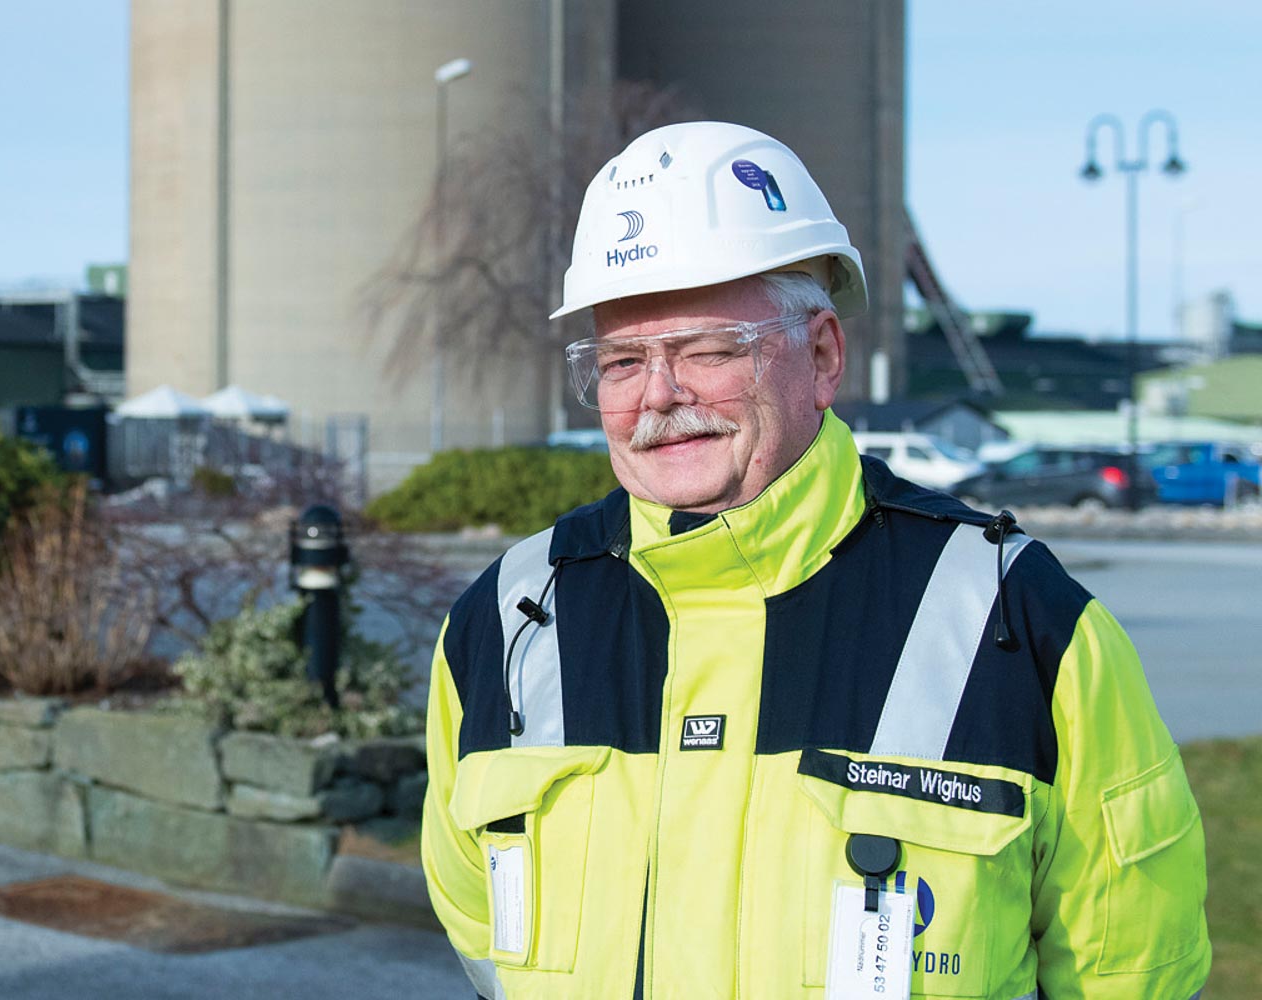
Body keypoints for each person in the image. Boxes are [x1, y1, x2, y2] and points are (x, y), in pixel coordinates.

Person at [420, 121, 1210, 1000]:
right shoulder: (507, 620)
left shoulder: (1015, 617)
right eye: (620, 360)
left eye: (710, 349)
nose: (658, 395)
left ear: (824, 354)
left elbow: (1132, 965)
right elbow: (481, 931)